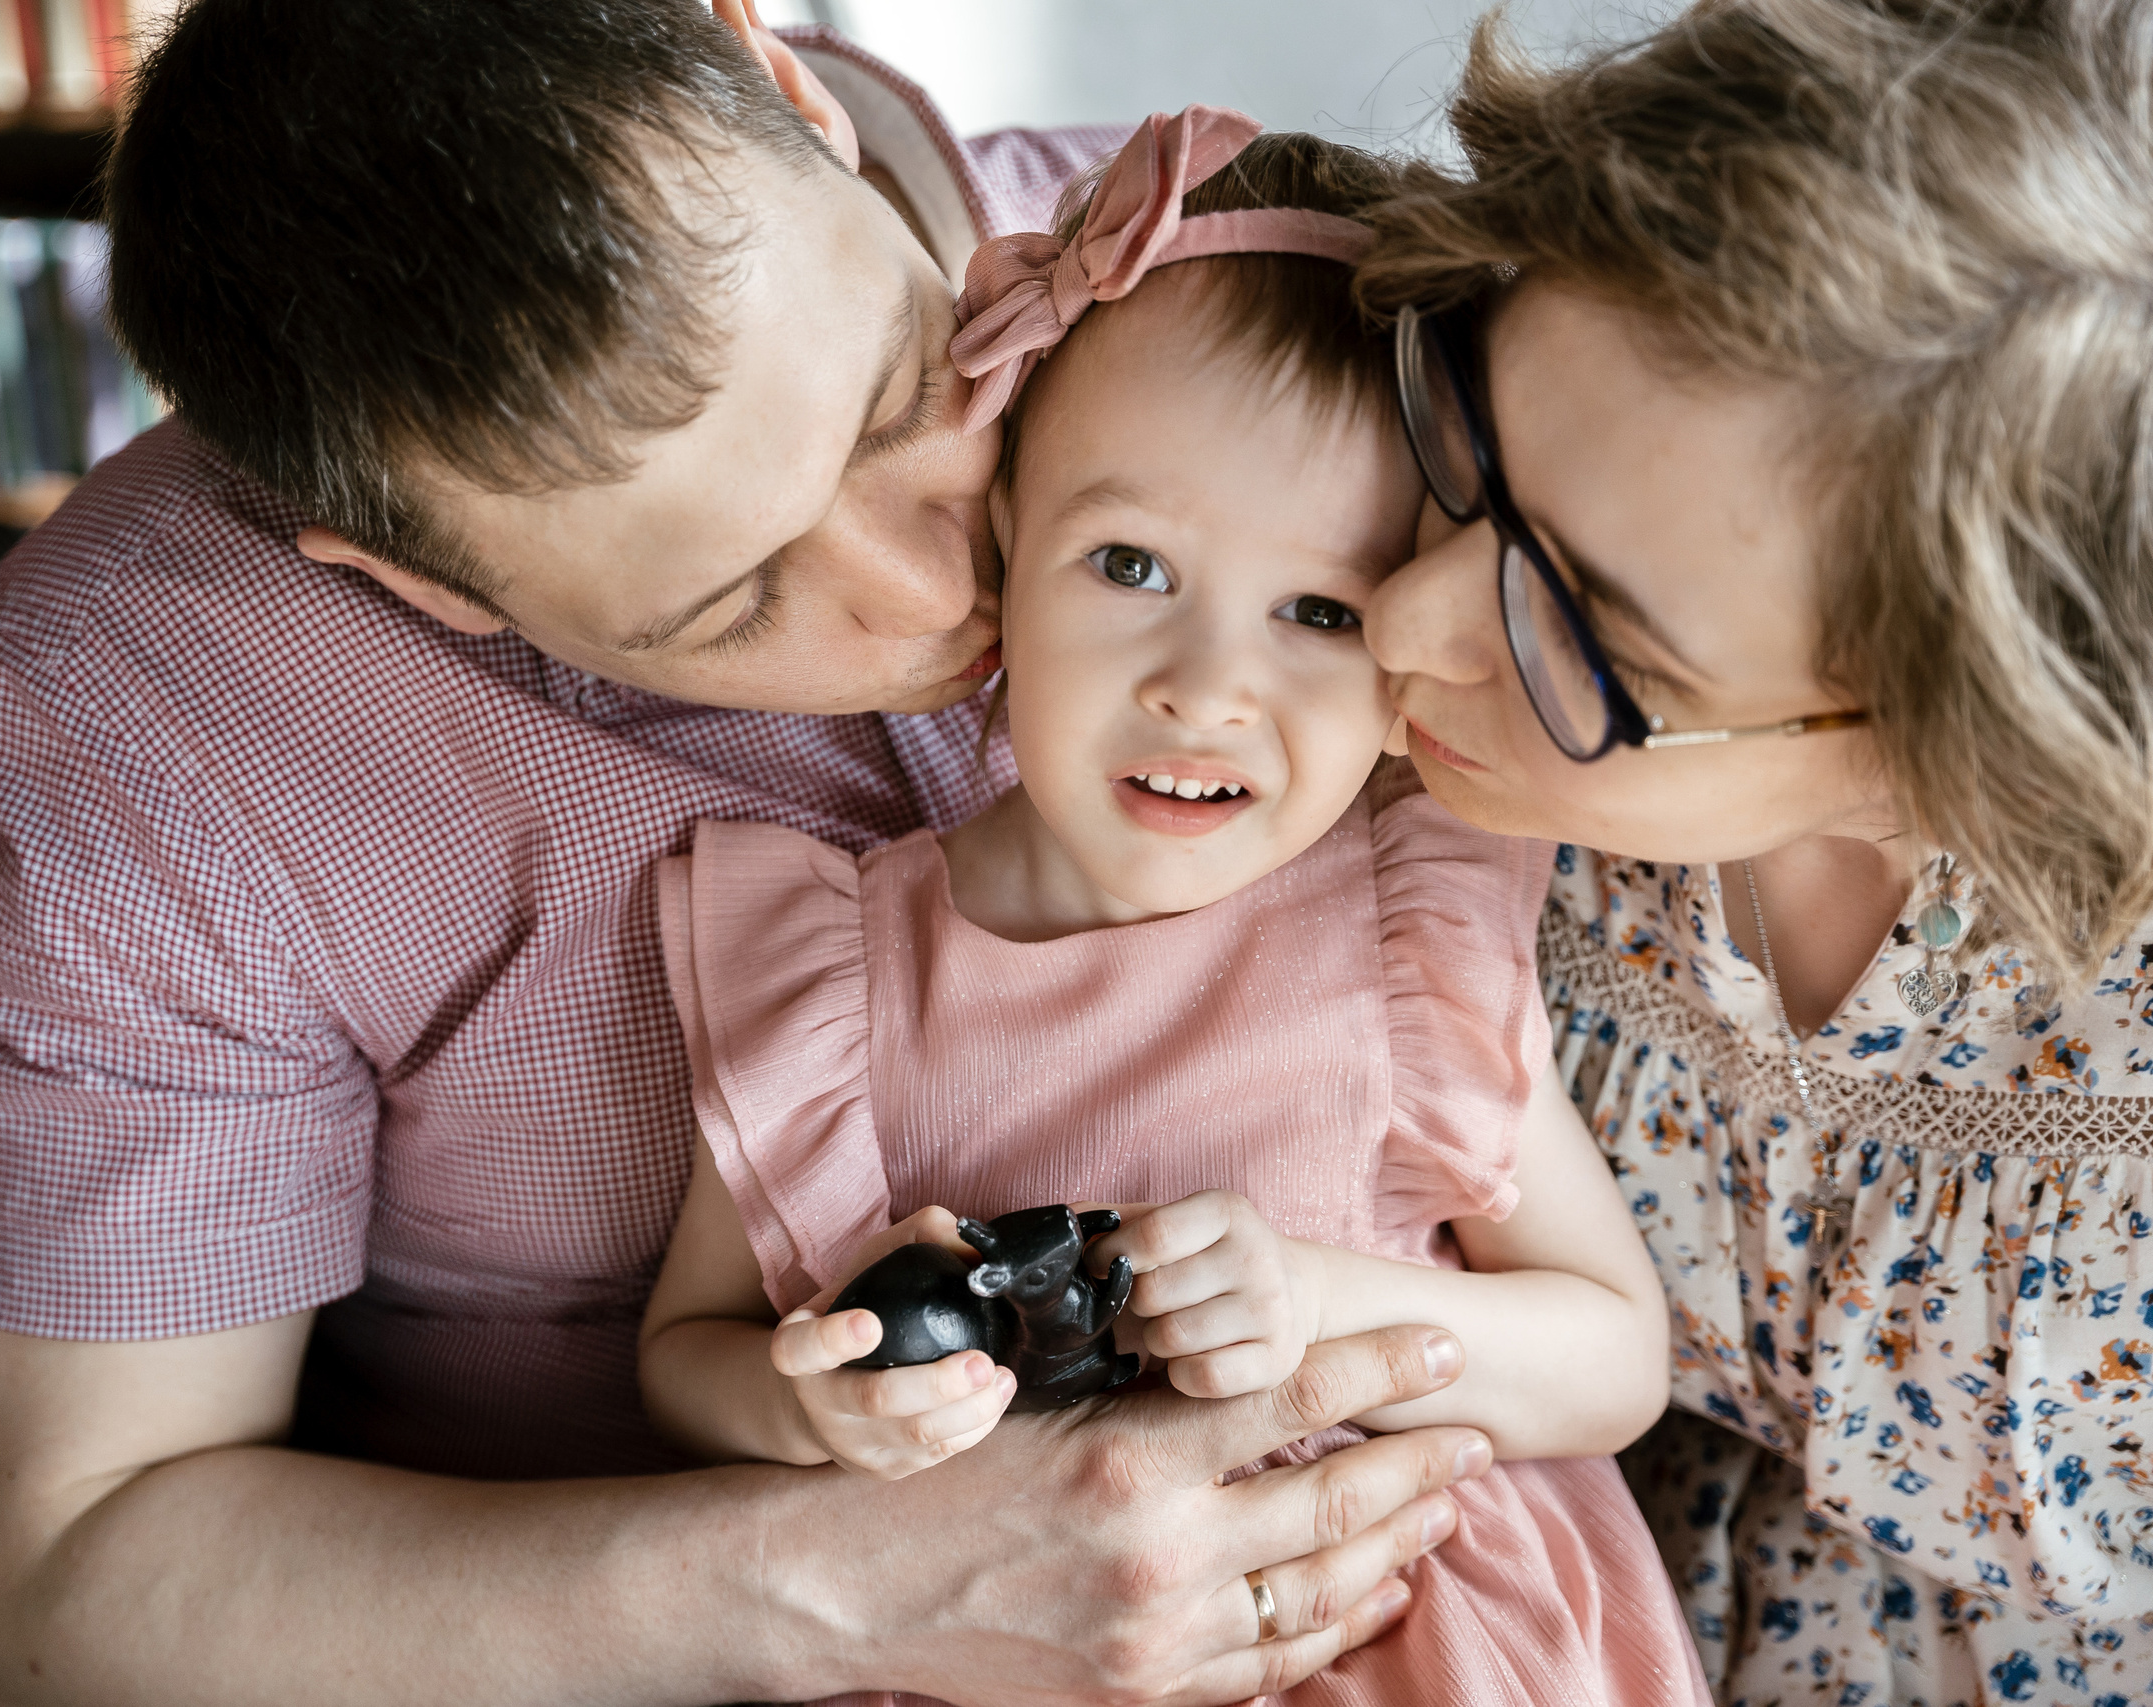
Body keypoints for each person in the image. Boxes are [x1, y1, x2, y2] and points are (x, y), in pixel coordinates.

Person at [0, 4, 1487, 1704]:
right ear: (424, 589)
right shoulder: (150, 720)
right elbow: (63, 1589)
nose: (942, 592)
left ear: (783, 78)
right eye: (731, 600)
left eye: (901, 393)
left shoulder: (1241, 277)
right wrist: (845, 1585)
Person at [636, 112, 1704, 1707]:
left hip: (1403, 1631)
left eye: (1320, 610)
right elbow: (684, 1355)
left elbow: (1615, 1356)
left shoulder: (1397, 935)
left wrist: (1325, 1305)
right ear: (1003, 549)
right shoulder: (841, 975)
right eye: (1130, 565)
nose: (1207, 689)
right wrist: (814, 1404)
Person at [1352, 1, 2153, 1701]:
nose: (1405, 620)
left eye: (1593, 644)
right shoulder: (1404, 740)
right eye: (1476, 440)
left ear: (1947, 757)